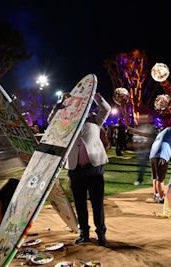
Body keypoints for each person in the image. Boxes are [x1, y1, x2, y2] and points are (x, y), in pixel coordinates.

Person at [63, 93, 111, 246]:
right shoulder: (67, 121)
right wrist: (63, 102)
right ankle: (84, 233)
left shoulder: (95, 119)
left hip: (94, 168)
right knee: (79, 203)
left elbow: (106, 108)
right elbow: (52, 121)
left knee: (97, 203)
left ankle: (101, 233)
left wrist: (96, 96)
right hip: (75, 169)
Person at [126, 114, 158, 185]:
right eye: (141, 119)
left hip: (147, 151)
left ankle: (141, 180)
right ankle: (151, 178)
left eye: (144, 119)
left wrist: (135, 132)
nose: (141, 120)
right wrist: (133, 145)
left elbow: (150, 137)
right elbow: (135, 139)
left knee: (144, 166)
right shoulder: (138, 128)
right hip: (139, 151)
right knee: (141, 166)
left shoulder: (151, 128)